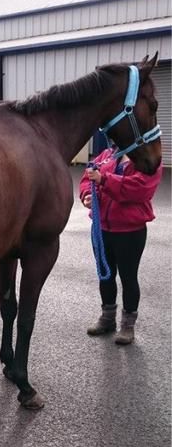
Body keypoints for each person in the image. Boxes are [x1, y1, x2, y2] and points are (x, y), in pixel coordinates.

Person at [79, 146, 163, 344]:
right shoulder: (108, 155)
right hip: (102, 227)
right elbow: (87, 176)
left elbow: (140, 189)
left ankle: (127, 326)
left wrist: (104, 180)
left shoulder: (146, 158)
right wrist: (87, 195)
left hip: (130, 231)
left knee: (128, 278)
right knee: (105, 276)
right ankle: (107, 319)